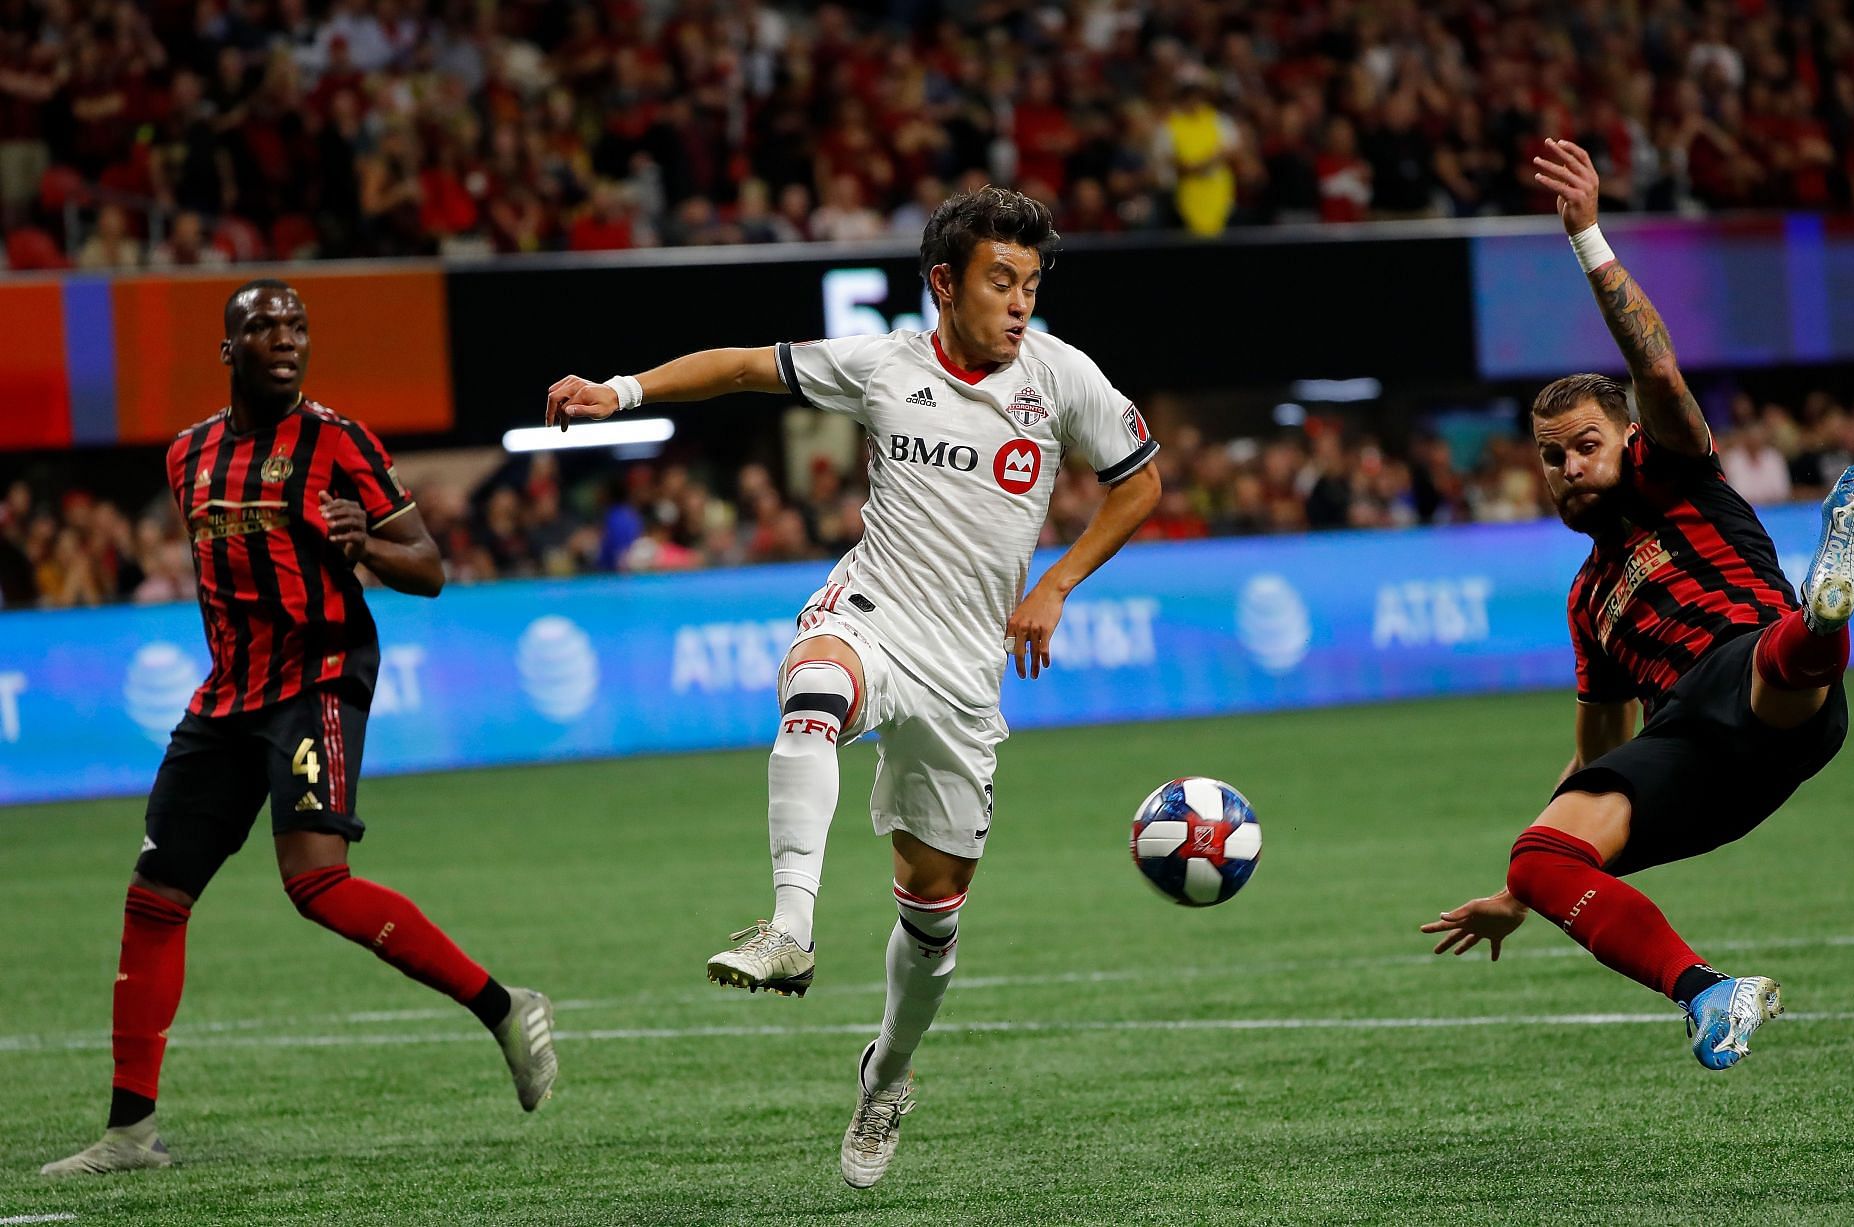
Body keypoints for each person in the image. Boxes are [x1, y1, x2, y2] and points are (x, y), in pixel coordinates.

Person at [543, 187, 1161, 1186]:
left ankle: (887, 1075)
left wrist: (1055, 583)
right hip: (875, 614)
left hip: (963, 676)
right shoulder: (883, 364)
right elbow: (744, 367)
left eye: (1032, 284)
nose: (1019, 302)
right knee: (814, 691)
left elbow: (1139, 482)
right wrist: (622, 390)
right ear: (946, 284)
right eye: (1001, 281)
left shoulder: (1064, 378)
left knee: (933, 914)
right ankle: (790, 925)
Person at [42, 279, 557, 1178]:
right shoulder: (187, 455)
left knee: (316, 881)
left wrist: (362, 546)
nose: (285, 337)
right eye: (262, 325)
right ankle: (129, 1133)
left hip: (318, 677)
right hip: (226, 695)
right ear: (228, 349)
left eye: (297, 324)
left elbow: (429, 570)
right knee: (154, 897)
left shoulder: (339, 440)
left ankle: (503, 1005)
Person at [1421, 140, 1854, 1071]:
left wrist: (1587, 235)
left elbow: (1660, 370)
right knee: (1538, 855)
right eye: (1551, 457)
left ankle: (1821, 618)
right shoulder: (1589, 599)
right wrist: (1523, 896)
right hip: (1702, 760)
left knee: (1758, 664)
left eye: (1584, 444)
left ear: (1627, 436)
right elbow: (1604, 749)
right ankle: (1711, 993)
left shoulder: (1673, 475)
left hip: (1758, 682)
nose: (1568, 466)